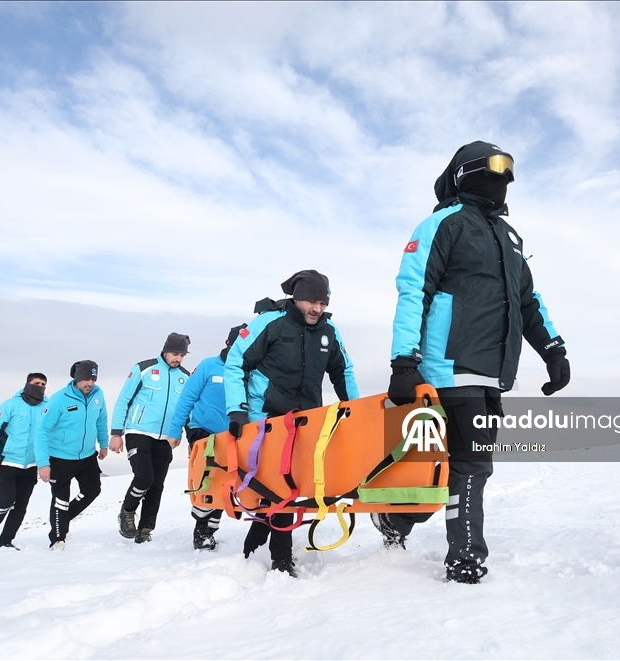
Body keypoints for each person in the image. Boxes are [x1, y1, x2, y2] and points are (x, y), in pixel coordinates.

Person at [382, 140, 570, 583]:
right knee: (469, 465)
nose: (502, 180)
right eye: (493, 170)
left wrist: (552, 349)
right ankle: (465, 558)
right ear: (466, 174)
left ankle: (396, 519)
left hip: (491, 373)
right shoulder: (442, 224)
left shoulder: (509, 238)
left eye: (507, 173)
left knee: (456, 468)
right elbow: (414, 291)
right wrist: (403, 361)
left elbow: (528, 301)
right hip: (447, 366)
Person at [225, 270, 359, 577]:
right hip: (266, 418)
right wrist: (237, 410)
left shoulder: (329, 330)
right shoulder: (269, 322)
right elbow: (236, 363)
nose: (317, 309)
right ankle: (281, 559)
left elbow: (343, 371)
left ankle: (252, 549)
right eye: (312, 301)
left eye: (322, 303)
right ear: (296, 299)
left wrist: (354, 410)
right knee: (280, 487)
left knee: (288, 487)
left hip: (306, 420)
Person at [166, 324, 247, 550]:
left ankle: (211, 529)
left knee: (225, 480)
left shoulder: (250, 370)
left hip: (232, 434)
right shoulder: (208, 366)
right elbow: (187, 398)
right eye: (238, 345)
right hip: (202, 429)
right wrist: (175, 431)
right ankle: (201, 530)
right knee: (208, 478)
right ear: (228, 344)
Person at [109, 333, 191, 544]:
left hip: (165, 438)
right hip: (138, 432)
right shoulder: (143, 368)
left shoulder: (185, 377)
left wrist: (185, 437)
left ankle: (145, 529)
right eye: (175, 354)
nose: (179, 359)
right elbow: (124, 400)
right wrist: (116, 433)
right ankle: (127, 511)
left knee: (157, 485)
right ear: (165, 351)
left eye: (182, 355)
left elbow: (186, 410)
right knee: (144, 478)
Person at [35, 360, 109, 550]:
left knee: (92, 490)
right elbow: (42, 431)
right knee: (60, 499)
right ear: (77, 378)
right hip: (60, 458)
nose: (90, 383)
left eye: (93, 379)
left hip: (87, 456)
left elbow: (101, 419)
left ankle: (63, 520)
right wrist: (43, 463)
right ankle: (57, 539)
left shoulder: (98, 394)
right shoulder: (59, 399)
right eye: (86, 379)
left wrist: (103, 443)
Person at [0, 372, 48, 549]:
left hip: (31, 464)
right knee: (6, 501)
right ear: (27, 384)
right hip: (8, 461)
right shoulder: (10, 405)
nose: (40, 387)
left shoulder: (47, 408)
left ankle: (6, 541)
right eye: (36, 383)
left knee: (21, 506)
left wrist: (46, 462)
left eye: (43, 384)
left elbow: (50, 434)